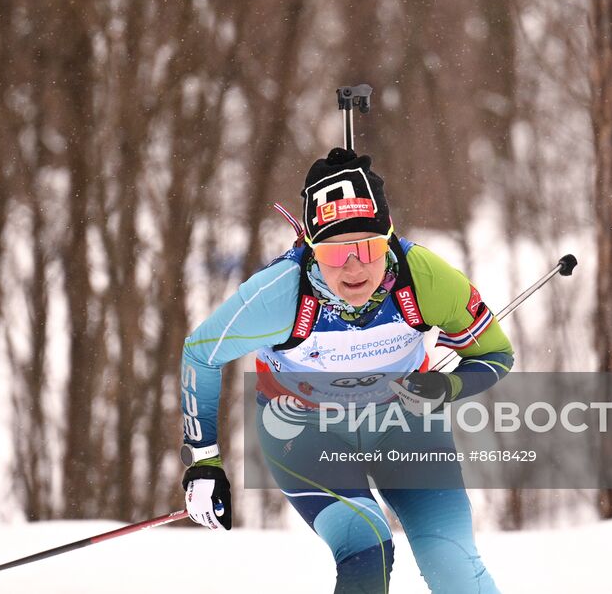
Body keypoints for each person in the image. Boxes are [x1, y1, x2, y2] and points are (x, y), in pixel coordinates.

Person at [178, 147, 514, 593]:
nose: (354, 267)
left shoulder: (425, 278)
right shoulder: (280, 294)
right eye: (335, 254)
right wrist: (204, 463)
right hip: (305, 433)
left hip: (404, 426)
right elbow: (201, 353)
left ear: (390, 239)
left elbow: (496, 355)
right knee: (368, 545)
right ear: (311, 249)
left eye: (369, 247)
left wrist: (446, 386)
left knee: (451, 562)